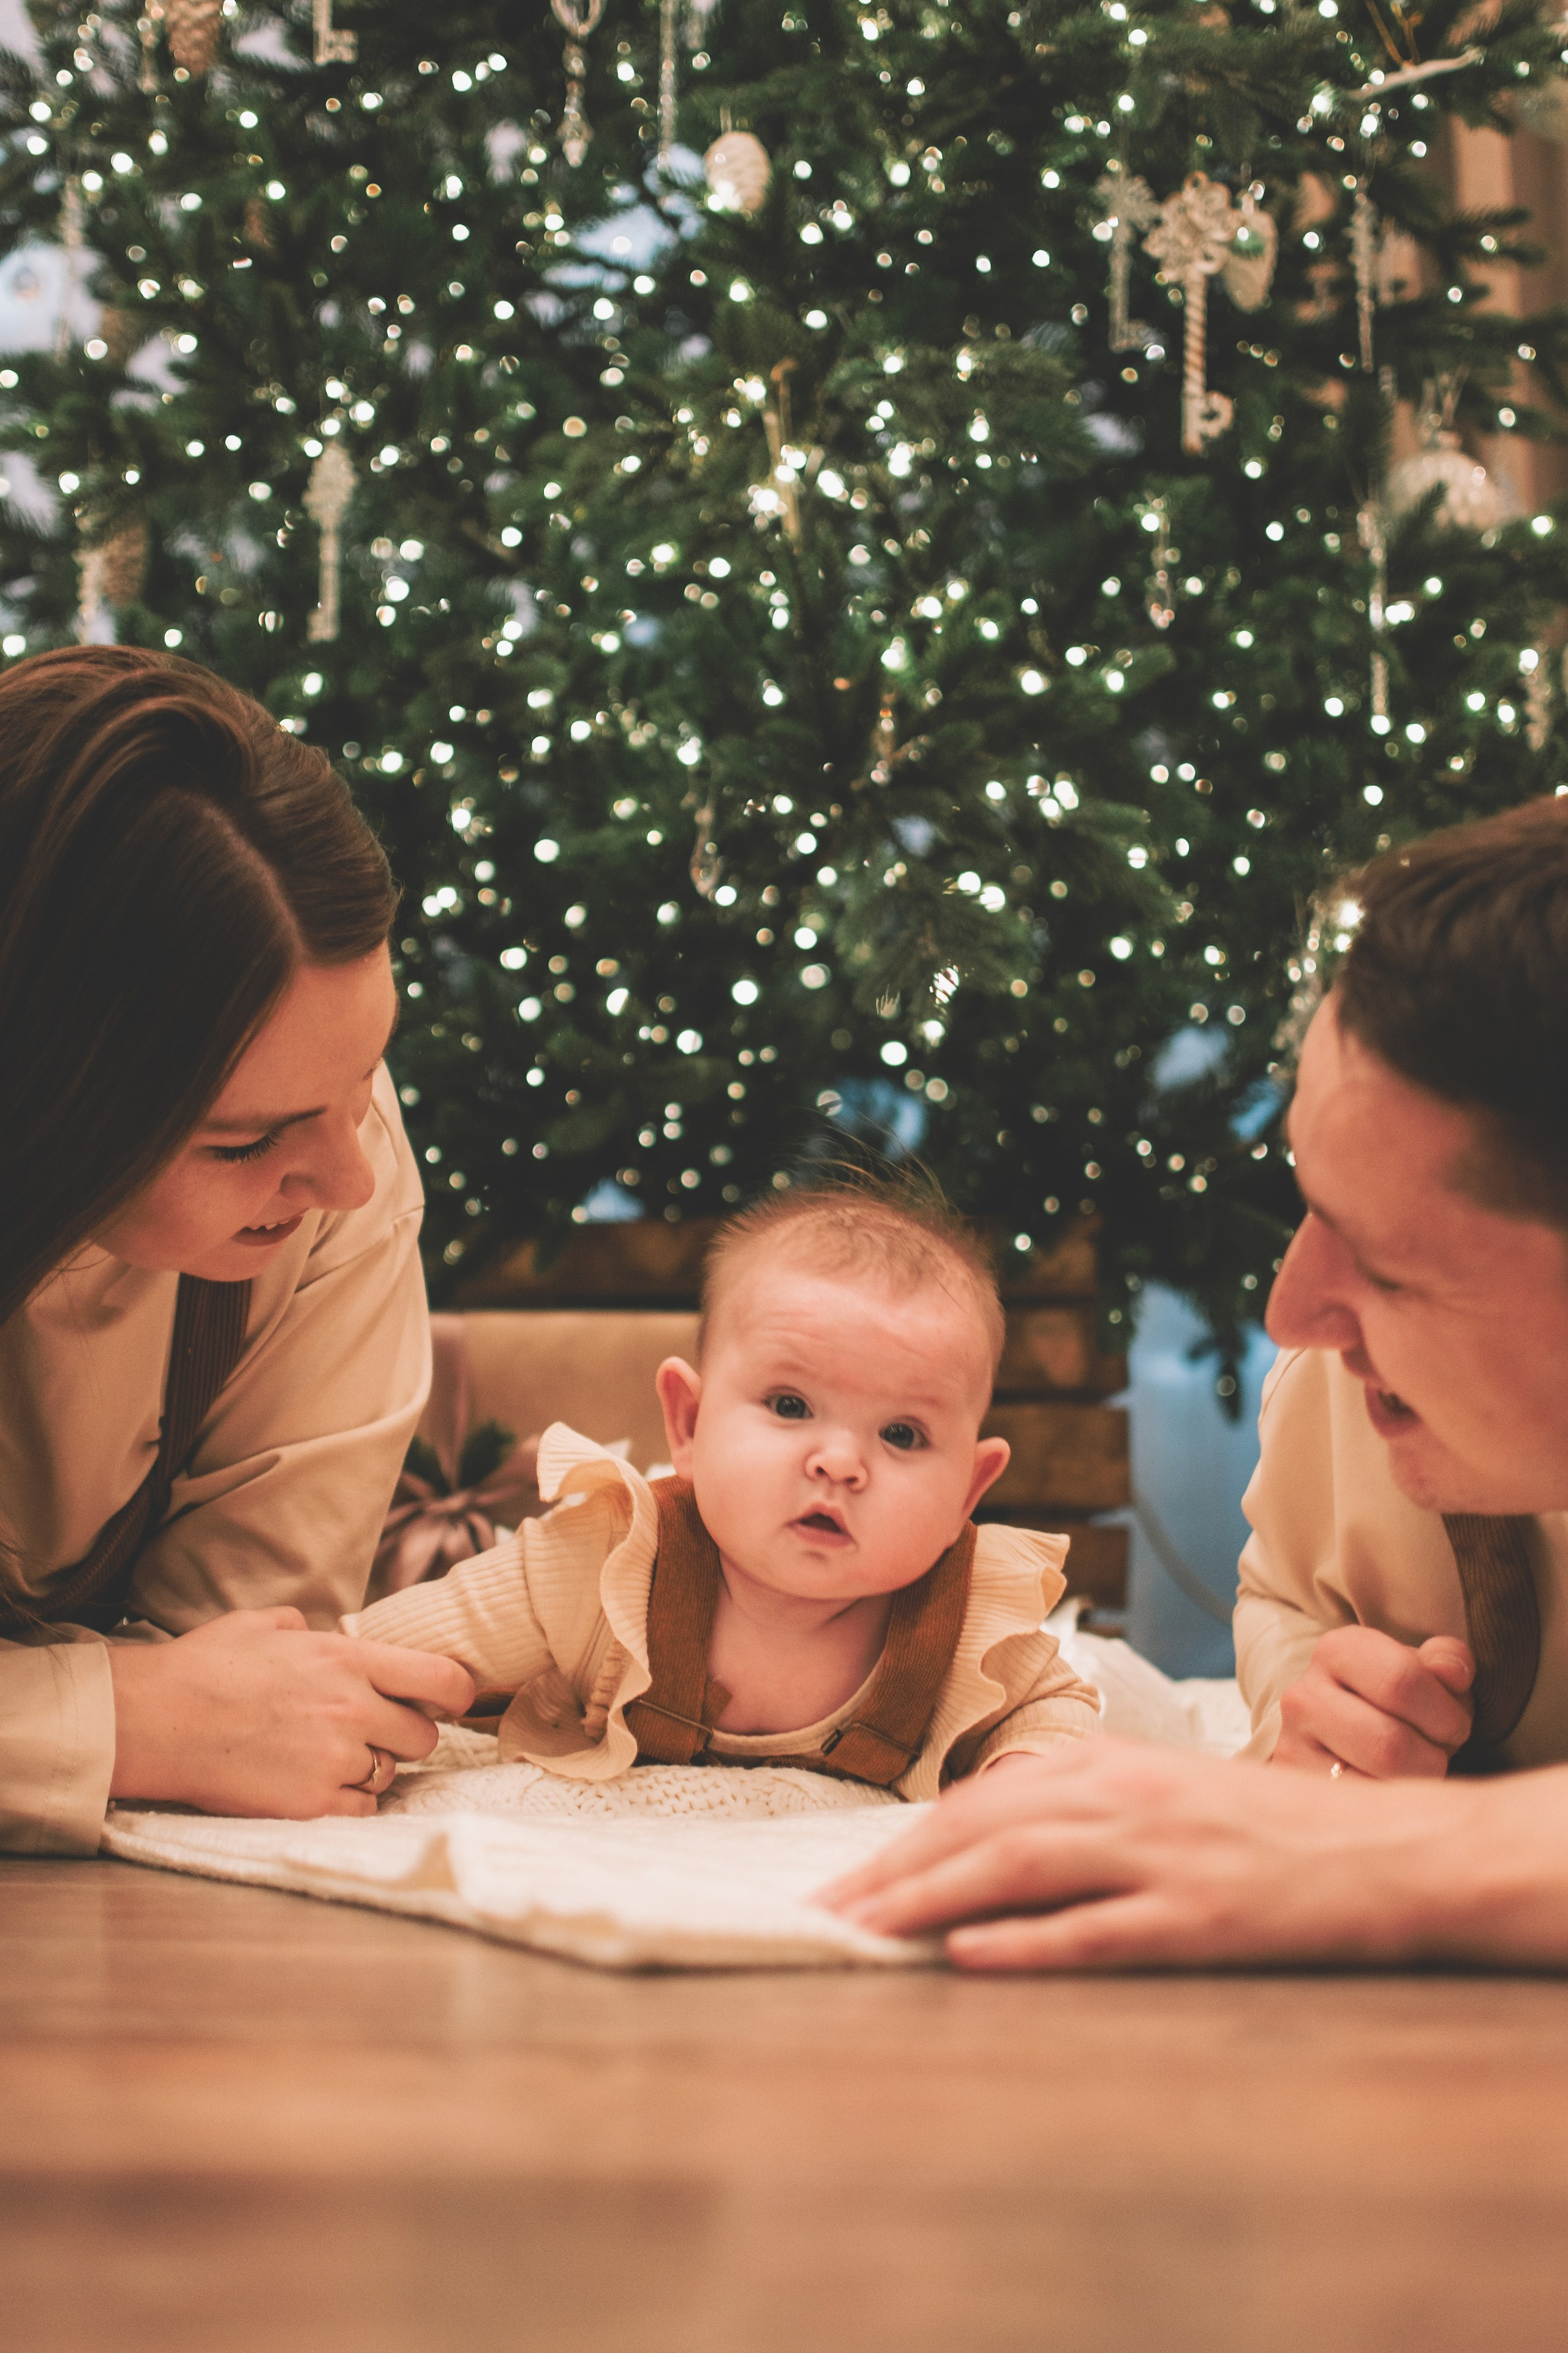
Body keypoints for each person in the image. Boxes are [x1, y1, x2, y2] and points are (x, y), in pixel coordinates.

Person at [821, 795, 1568, 1966]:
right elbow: (1283, 1597)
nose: (1291, 1314)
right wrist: (1310, 1703)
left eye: (1391, 1268)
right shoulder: (1345, 1385)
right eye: (1309, 1201)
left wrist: (1385, 1859)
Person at [1, 646, 472, 1858]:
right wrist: (131, 1722)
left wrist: (177, 1716)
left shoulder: (337, 1162)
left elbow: (252, 1687)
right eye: (243, 1140)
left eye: (363, 1081)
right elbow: (193, 1719)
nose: (346, 1180)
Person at [343, 1185, 1100, 1794]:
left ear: (968, 1493)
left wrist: (1022, 1777)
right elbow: (398, 1647)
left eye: (901, 1435)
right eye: (791, 1406)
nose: (839, 1464)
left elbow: (1052, 1710)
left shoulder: (966, 1617)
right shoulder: (606, 1565)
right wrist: (328, 1693)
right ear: (690, 1423)